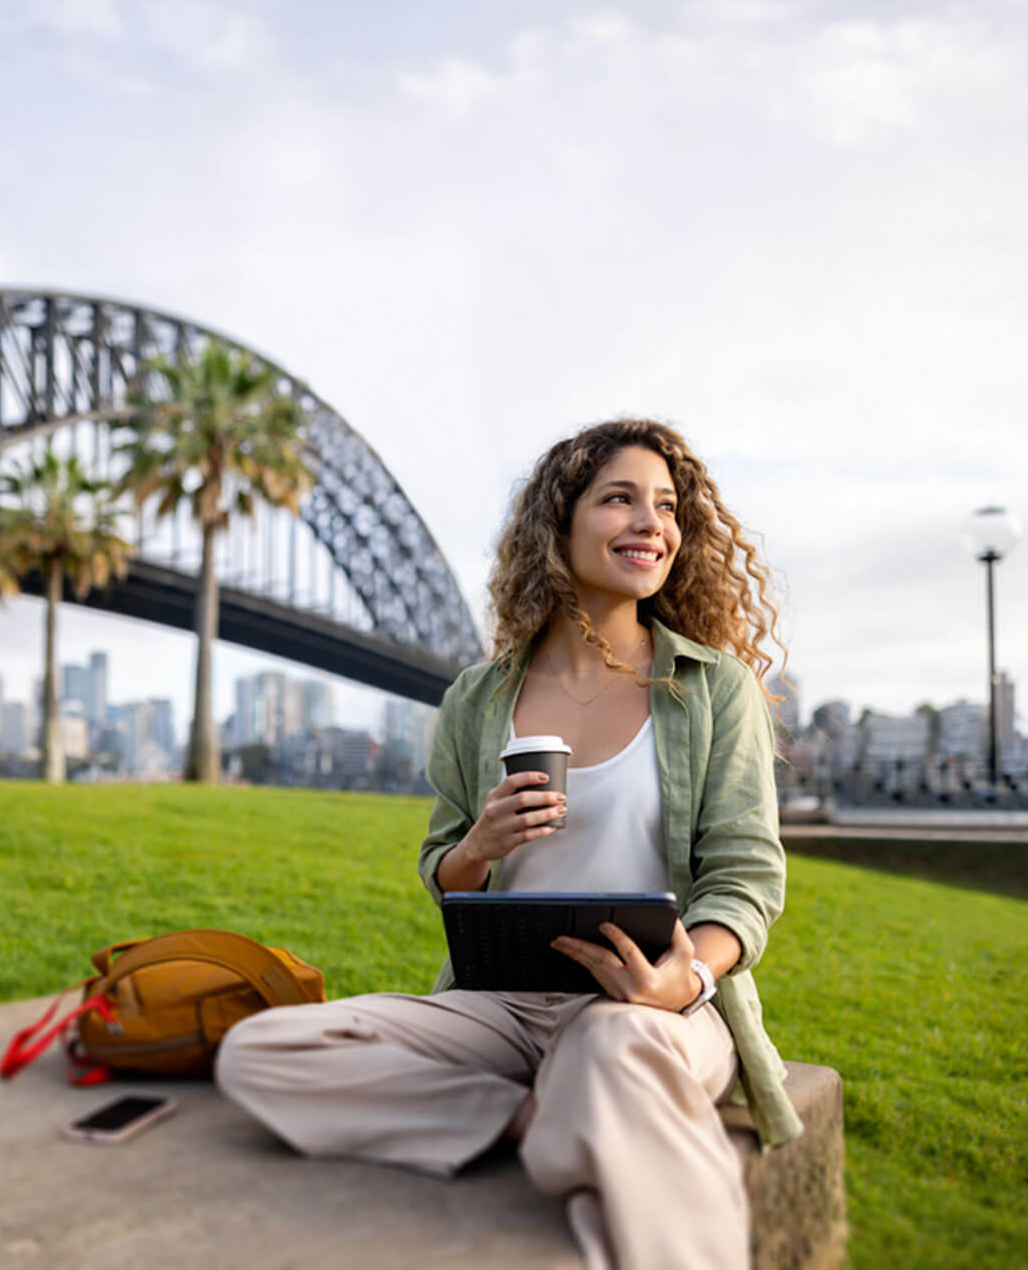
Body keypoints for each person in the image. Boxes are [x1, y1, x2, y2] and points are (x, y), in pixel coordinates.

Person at [215, 418, 801, 1269]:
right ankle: (546, 1124)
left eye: (667, 506)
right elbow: (443, 871)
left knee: (614, 1047)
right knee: (265, 1049)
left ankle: (583, 1116)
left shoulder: (715, 688)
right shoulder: (477, 700)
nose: (652, 523)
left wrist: (688, 976)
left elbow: (747, 882)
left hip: (650, 1009)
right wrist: (481, 844)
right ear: (558, 527)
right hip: (500, 1006)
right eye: (620, 500)